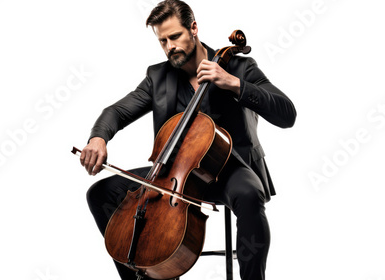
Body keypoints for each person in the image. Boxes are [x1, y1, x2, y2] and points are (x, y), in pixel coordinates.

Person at [80, 0, 296, 279]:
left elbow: (286, 114)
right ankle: (144, 276)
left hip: (230, 170)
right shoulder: (158, 77)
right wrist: (98, 137)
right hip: (175, 176)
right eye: (162, 41)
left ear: (193, 28)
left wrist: (234, 84)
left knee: (249, 195)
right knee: (101, 193)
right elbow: (117, 111)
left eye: (175, 36)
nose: (169, 46)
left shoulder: (239, 67)